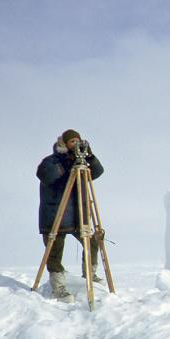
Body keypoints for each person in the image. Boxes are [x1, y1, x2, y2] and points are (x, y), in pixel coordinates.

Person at [36, 129, 105, 302]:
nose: (76, 144)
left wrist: (90, 157)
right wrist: (66, 164)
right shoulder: (52, 161)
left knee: (92, 241)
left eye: (78, 141)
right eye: (72, 141)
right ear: (64, 143)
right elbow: (44, 175)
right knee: (55, 250)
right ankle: (58, 287)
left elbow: (97, 172)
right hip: (55, 214)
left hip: (78, 215)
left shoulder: (80, 162)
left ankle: (90, 274)